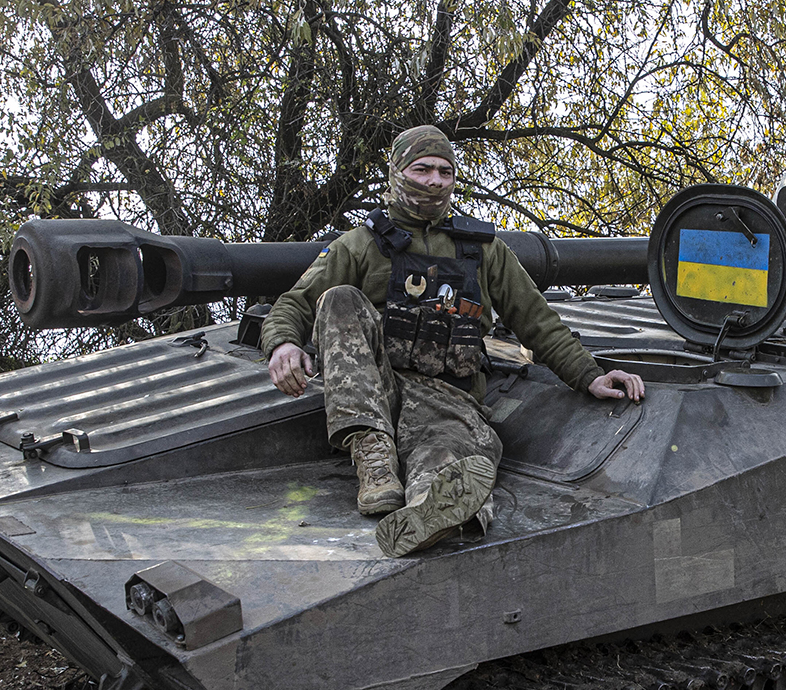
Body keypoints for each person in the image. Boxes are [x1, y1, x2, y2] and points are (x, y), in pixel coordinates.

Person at [261, 125, 646, 557]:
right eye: (422, 168)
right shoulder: (360, 244)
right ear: (397, 172)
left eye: (445, 171)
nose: (434, 180)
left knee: (446, 462)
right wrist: (283, 344)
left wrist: (589, 375)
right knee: (340, 299)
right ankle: (373, 457)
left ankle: (429, 514)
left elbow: (536, 320)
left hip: (448, 397)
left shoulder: (483, 251)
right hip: (378, 391)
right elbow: (295, 303)